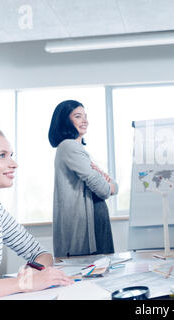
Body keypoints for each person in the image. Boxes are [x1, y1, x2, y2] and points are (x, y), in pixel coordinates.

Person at [0, 126, 73, 299]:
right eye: (2, 155)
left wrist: (32, 271)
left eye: (11, 155)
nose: (13, 164)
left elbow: (41, 253)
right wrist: (21, 284)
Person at [48, 100, 118, 257]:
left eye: (85, 116)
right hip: (85, 230)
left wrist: (108, 184)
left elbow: (111, 186)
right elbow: (103, 189)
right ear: (66, 121)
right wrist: (107, 184)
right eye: (78, 116)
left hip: (94, 223)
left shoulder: (77, 149)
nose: (85, 121)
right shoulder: (69, 146)